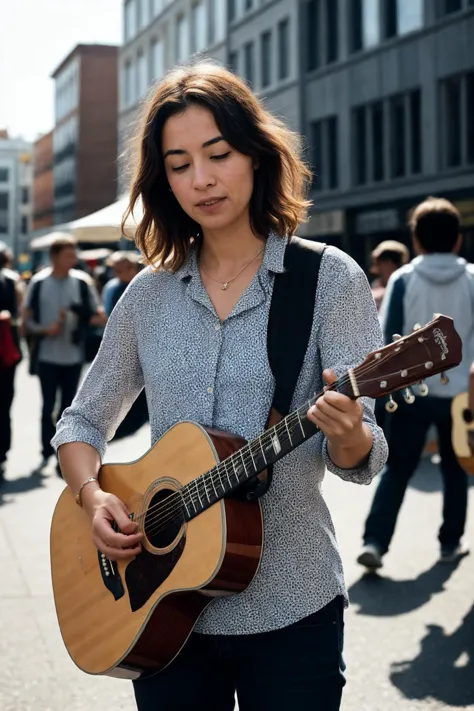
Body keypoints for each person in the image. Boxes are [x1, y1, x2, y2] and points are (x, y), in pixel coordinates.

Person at [52, 61, 388, 711]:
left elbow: (360, 456)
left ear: (257, 155)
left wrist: (349, 433)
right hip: (158, 615)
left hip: (294, 607)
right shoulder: (146, 294)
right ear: (162, 179)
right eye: (178, 164)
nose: (201, 178)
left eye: (219, 153)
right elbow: (83, 421)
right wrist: (92, 495)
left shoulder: (328, 280)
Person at [358, 197, 473, 572]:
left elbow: (386, 340)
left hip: (410, 392)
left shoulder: (405, 278)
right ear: (457, 240)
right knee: (456, 471)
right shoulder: (472, 279)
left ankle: (375, 541)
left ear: (417, 241)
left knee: (399, 467)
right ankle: (449, 543)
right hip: (461, 394)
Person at [23, 235, 105, 474]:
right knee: (47, 405)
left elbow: (97, 313)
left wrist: (93, 317)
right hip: (47, 355)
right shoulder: (38, 283)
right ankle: (45, 449)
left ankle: (63, 457)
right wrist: (44, 329)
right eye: (69, 255)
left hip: (73, 354)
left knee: (68, 409)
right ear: (55, 257)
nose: (74, 259)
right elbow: (26, 321)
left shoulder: (82, 282)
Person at [0, 242, 23, 483]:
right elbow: (19, 311)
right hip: (7, 352)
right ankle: (2, 456)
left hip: (6, 351)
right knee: (5, 406)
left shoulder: (11, 280)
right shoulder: (12, 280)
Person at [370, 240, 409, 312]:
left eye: (378, 263)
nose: (374, 270)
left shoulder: (407, 289)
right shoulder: (374, 290)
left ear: (389, 262)